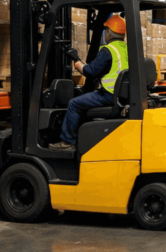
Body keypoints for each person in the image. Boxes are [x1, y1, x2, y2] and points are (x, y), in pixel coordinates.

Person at [50, 14, 128, 150]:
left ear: (109, 32)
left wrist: (76, 61)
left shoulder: (108, 50)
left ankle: (68, 142)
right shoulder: (127, 49)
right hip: (123, 95)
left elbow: (90, 72)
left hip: (109, 95)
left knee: (74, 104)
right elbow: (106, 69)